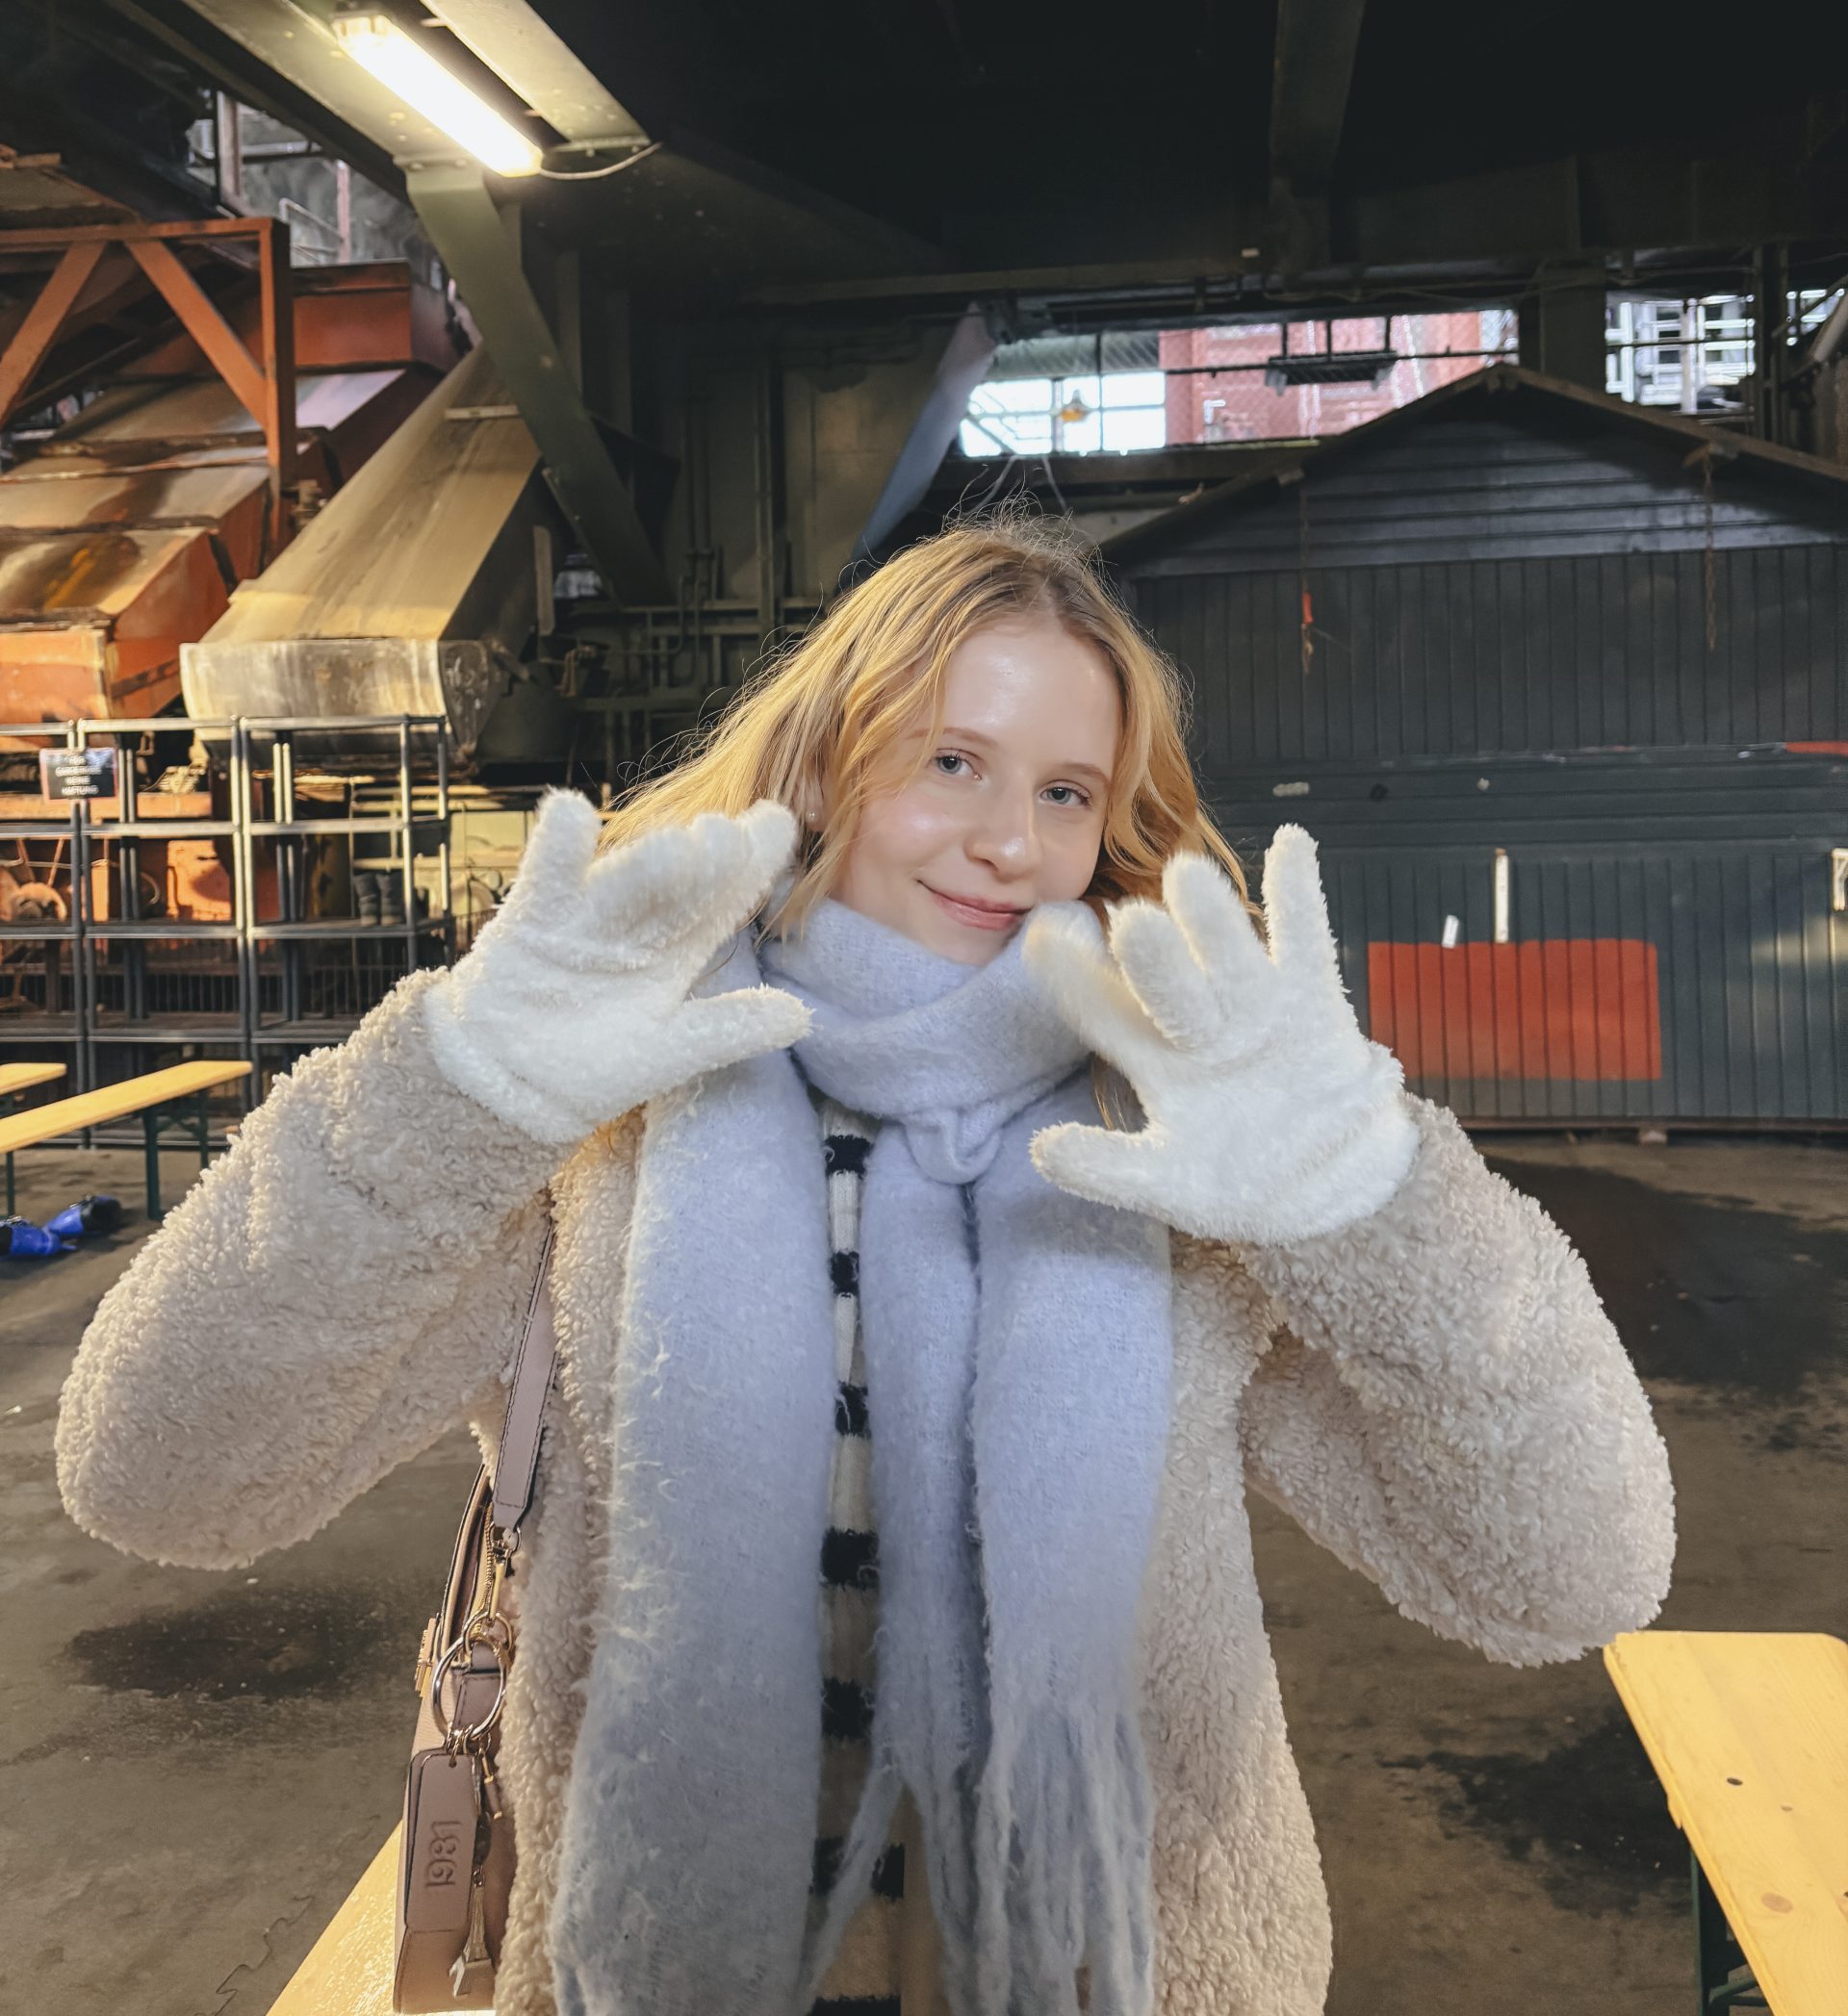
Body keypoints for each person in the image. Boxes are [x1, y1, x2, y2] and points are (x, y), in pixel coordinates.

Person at [56, 510, 1676, 2016]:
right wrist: (446, 1089)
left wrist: (1375, 1197)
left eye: (1065, 791)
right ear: (825, 767)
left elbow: (1568, 1573)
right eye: (951, 760)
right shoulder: (596, 1119)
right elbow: (160, 1472)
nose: (1007, 842)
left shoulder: (1189, 1147)